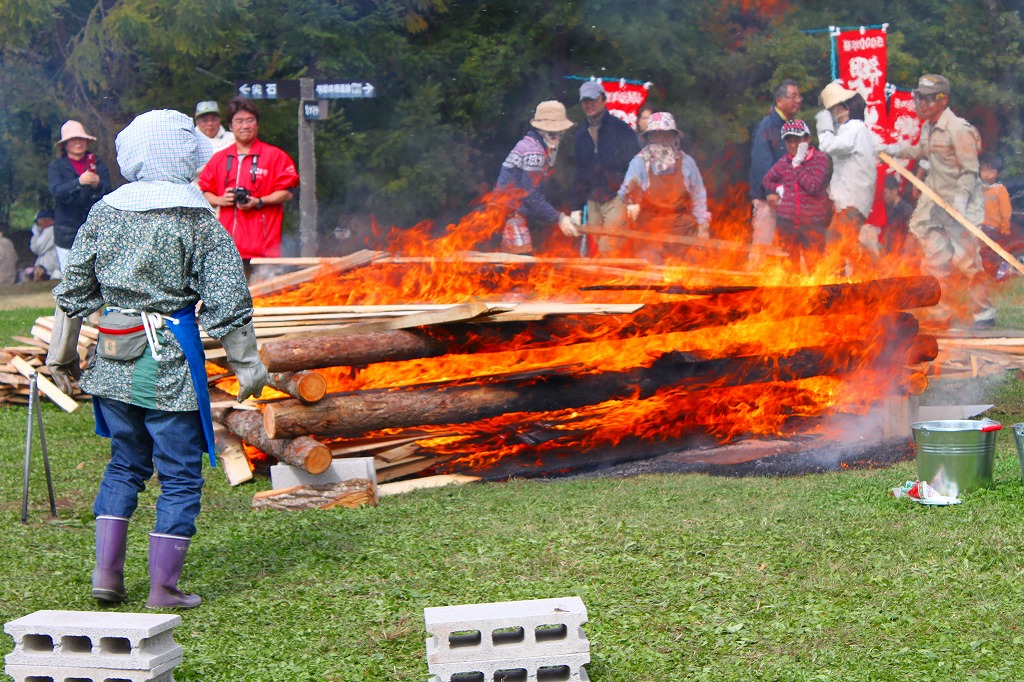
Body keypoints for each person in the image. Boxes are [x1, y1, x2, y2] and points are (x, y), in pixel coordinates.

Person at [46, 109, 268, 609]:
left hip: (112, 357)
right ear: (186, 153)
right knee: (180, 474)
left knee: (125, 464)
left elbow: (73, 290)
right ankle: (163, 589)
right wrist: (248, 364)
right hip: (165, 364)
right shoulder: (196, 220)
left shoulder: (104, 211)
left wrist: (61, 355)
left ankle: (107, 578)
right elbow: (228, 298)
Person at [882, 74, 995, 328]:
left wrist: (961, 201)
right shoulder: (928, 127)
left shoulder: (958, 129)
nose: (921, 103)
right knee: (934, 259)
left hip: (960, 205)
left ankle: (984, 312)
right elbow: (920, 151)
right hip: (937, 203)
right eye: (919, 97)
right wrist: (891, 149)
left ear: (943, 100)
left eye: (927, 99)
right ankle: (941, 312)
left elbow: (970, 169)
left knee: (967, 262)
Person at [198, 96, 300, 272]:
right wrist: (221, 200)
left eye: (250, 120)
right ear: (230, 126)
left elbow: (288, 192)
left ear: (257, 124)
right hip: (228, 250)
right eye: (239, 121)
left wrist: (259, 201)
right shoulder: (219, 159)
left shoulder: (275, 156)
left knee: (266, 297)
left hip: (264, 250)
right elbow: (203, 192)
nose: (245, 126)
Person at [617, 112, 711, 262]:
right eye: (655, 136)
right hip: (650, 233)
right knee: (652, 279)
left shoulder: (687, 163)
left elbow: (698, 196)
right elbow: (624, 195)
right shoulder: (639, 163)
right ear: (648, 139)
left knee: (689, 278)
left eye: (666, 135)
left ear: (674, 137)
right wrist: (631, 197)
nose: (661, 141)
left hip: (682, 231)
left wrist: (703, 227)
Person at [495, 100, 579, 254]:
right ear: (541, 130)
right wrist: (559, 219)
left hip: (510, 213)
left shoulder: (532, 144)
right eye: (553, 133)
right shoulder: (534, 152)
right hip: (510, 214)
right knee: (519, 268)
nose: (557, 137)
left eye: (560, 133)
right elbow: (532, 197)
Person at [569, 80, 640, 256]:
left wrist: (634, 199)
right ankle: (608, 279)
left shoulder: (621, 130)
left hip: (617, 197)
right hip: (593, 199)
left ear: (603, 99)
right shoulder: (580, 136)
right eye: (585, 101)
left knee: (610, 248)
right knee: (597, 246)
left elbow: (636, 165)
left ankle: (606, 281)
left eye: (593, 100)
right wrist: (576, 207)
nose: (589, 105)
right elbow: (579, 172)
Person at [814, 81, 877, 270]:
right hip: (847, 201)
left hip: (853, 201)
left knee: (846, 243)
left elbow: (827, 146)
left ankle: (882, 273)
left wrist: (824, 128)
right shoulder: (850, 130)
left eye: (832, 109)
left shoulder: (855, 128)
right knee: (833, 240)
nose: (831, 114)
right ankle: (835, 283)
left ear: (845, 108)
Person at [760, 119, 831, 271]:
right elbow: (766, 180)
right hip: (787, 223)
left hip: (813, 223)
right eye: (789, 141)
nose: (793, 145)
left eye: (797, 140)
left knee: (816, 268)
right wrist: (778, 188)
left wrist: (797, 165)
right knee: (789, 270)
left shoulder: (820, 159)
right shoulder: (783, 162)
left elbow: (813, 186)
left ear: (807, 139)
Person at [749, 79, 803, 264]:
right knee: (762, 248)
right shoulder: (768, 126)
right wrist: (771, 191)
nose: (798, 100)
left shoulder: (791, 126)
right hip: (768, 200)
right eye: (793, 96)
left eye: (799, 96)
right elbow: (761, 161)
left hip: (787, 201)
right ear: (780, 100)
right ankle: (751, 286)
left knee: (786, 250)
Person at [48, 120, 112, 272]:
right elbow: (56, 191)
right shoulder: (56, 167)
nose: (78, 142)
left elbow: (109, 192)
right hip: (67, 233)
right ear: (65, 144)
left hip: (95, 229)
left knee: (97, 275)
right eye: (73, 139)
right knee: (70, 275)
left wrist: (97, 185)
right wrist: (79, 182)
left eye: (81, 139)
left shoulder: (98, 164)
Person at [980, 153, 1012, 237]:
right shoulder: (978, 188)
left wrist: (1005, 228)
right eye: (983, 170)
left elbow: (1006, 211)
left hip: (994, 229)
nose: (986, 174)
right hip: (978, 227)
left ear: (997, 173)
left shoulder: (1000, 189)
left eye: (991, 171)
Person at [882, 175, 913, 257]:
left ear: (894, 191)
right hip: (889, 254)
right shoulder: (888, 207)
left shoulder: (904, 208)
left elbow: (911, 217)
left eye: (885, 193)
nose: (884, 196)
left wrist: (899, 203)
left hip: (902, 255)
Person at [27, 209, 60, 281]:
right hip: (48, 269)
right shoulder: (49, 231)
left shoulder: (50, 230)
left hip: (51, 271)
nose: (38, 225)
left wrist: (35, 234)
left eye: (38, 222)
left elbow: (36, 248)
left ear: (45, 220)